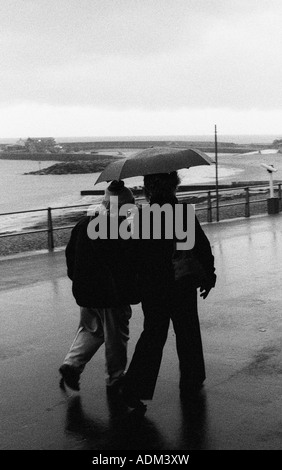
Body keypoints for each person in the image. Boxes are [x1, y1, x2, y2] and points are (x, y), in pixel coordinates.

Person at [121, 171, 216, 407]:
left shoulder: (142, 218)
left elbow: (133, 257)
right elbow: (201, 247)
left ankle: (134, 388)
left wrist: (134, 285)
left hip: (153, 287)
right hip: (182, 283)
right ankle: (192, 379)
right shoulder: (183, 213)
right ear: (175, 186)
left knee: (153, 334)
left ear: (148, 189)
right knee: (188, 331)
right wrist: (208, 277)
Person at [59, 180, 138, 395]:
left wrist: (76, 278)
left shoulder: (84, 224)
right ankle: (115, 380)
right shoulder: (121, 230)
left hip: (86, 291)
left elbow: (71, 255)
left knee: (91, 330)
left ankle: (72, 364)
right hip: (111, 295)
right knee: (116, 338)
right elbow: (127, 264)